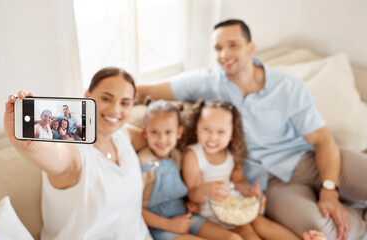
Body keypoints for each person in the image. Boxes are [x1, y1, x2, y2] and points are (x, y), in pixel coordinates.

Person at [136, 19, 367, 239]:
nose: (224, 54)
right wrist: (106, 104)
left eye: (233, 45)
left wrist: (330, 190)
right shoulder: (207, 82)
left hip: (310, 160)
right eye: (218, 48)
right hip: (274, 186)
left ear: (250, 47)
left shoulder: (287, 87)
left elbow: (323, 141)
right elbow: (147, 91)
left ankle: (348, 201)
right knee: (323, 233)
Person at [4, 67, 152, 240]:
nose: (115, 110)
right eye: (106, 98)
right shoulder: (73, 151)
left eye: (125, 103)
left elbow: (153, 137)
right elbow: (57, 157)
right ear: (87, 96)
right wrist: (27, 145)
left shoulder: (123, 135)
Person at [181, 100, 326, 240]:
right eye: (206, 129)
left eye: (221, 132)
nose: (213, 137)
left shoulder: (231, 153)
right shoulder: (193, 155)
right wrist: (206, 190)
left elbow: (239, 182)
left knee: (259, 222)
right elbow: (192, 193)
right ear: (196, 129)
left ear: (232, 134)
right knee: (246, 230)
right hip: (211, 211)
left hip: (233, 204)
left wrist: (250, 192)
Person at [139, 100, 242, 240]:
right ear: (144, 132)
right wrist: (169, 225)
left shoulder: (176, 156)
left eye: (168, 132)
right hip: (160, 227)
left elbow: (183, 189)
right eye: (154, 132)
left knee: (233, 238)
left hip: (185, 215)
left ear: (179, 132)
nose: (162, 139)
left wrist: (189, 203)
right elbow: (132, 209)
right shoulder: (142, 163)